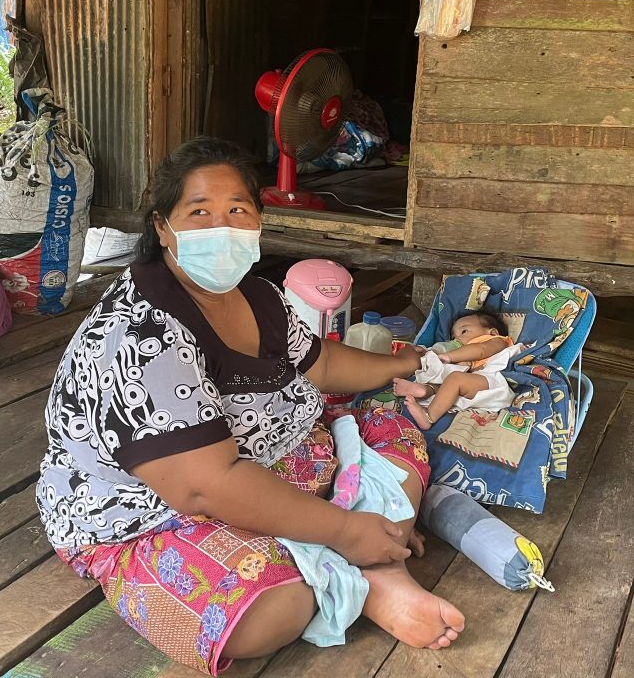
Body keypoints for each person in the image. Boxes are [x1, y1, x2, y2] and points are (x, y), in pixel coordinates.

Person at [36, 136, 464, 676]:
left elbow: (323, 364)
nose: (222, 227)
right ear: (162, 227)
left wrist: (403, 362)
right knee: (266, 616)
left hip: (272, 458)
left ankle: (360, 561)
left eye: (237, 209)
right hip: (155, 510)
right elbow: (204, 487)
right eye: (199, 212)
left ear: (259, 221)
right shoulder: (140, 333)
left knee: (396, 427)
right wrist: (343, 531)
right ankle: (371, 567)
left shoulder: (259, 295)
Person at [392, 312, 520, 429]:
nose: (457, 339)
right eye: (454, 337)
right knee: (449, 381)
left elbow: (481, 350)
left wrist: (450, 356)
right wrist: (429, 353)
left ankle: (428, 416)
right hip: (476, 385)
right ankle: (426, 390)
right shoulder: (466, 354)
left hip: (495, 385)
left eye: (464, 331)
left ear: (492, 332)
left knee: (455, 378)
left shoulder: (497, 341)